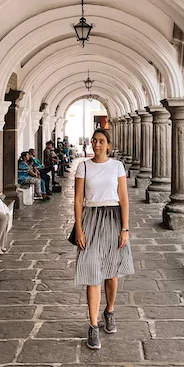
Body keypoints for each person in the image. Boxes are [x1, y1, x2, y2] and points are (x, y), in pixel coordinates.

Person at [74, 127, 133, 350]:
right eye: (94, 140)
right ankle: (93, 326)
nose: (96, 144)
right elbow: (78, 200)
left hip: (113, 218)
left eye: (101, 141)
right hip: (91, 218)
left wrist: (125, 228)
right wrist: (79, 228)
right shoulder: (84, 167)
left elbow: (124, 198)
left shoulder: (116, 166)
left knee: (111, 272)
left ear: (108, 144)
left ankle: (109, 311)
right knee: (92, 272)